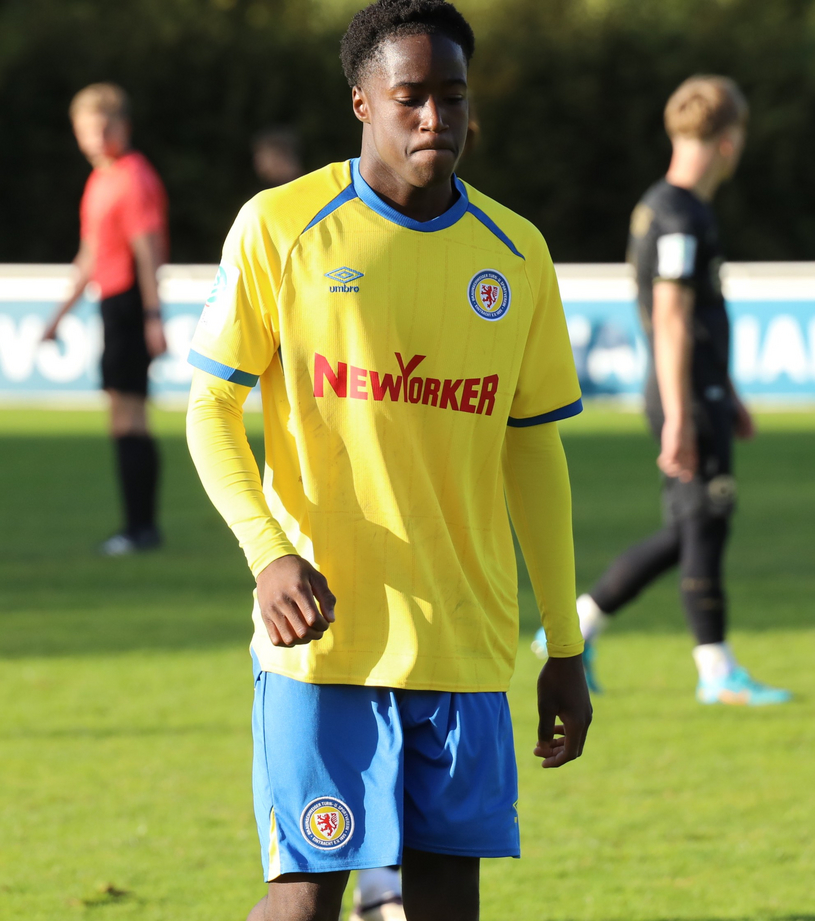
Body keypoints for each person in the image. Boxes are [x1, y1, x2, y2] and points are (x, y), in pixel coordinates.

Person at [185, 3, 592, 919]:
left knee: (449, 901)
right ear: (362, 102)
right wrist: (268, 552)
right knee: (304, 900)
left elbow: (533, 446)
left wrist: (563, 643)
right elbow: (210, 408)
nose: (435, 118)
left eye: (453, 95)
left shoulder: (517, 252)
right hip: (325, 639)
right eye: (411, 97)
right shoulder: (283, 226)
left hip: (466, 640)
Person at [534, 76, 790, 706]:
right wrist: (681, 412)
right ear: (729, 141)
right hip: (685, 394)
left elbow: (688, 318)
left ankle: (578, 625)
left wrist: (727, 391)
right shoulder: (681, 215)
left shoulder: (661, 205)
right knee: (706, 524)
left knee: (689, 528)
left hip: (697, 389)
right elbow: (672, 316)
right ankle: (715, 670)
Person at [44, 83, 169, 555]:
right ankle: (138, 527)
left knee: (130, 415)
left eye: (103, 127)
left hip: (130, 303)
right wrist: (59, 316)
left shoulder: (133, 177)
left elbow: (146, 250)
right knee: (121, 415)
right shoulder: (101, 179)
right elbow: (90, 255)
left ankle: (140, 529)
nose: (95, 138)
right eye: (86, 130)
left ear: (122, 127)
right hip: (112, 303)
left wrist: (153, 315)